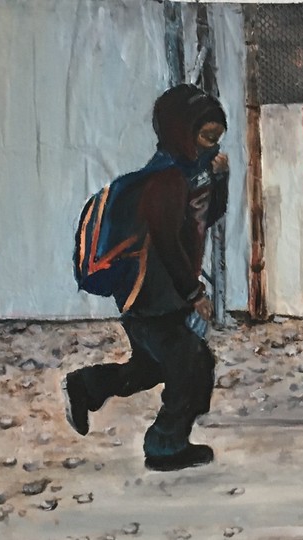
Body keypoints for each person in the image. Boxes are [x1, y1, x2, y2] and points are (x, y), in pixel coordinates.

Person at [62, 84, 229, 472]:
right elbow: (168, 244)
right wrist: (194, 293)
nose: (213, 147)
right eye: (207, 137)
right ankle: (165, 446)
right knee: (191, 366)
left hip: (154, 298)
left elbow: (206, 218)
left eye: (217, 139)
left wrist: (219, 180)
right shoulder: (165, 181)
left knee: (151, 368)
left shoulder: (188, 175)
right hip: (154, 297)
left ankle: (87, 386)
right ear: (182, 132)